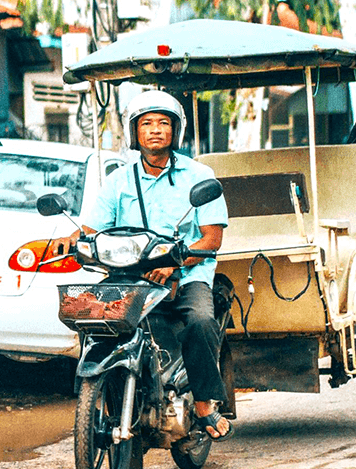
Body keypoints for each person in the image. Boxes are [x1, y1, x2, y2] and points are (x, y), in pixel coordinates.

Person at [56, 90, 233, 440]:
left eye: (163, 123)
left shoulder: (197, 175)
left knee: (200, 320)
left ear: (175, 132)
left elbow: (211, 239)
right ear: (135, 132)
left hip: (186, 273)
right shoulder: (118, 181)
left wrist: (175, 264)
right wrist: (71, 240)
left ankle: (203, 404)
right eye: (147, 123)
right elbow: (90, 230)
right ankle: (109, 392)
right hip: (131, 275)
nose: (155, 130)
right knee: (91, 317)